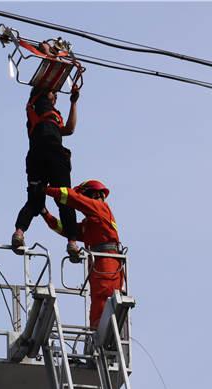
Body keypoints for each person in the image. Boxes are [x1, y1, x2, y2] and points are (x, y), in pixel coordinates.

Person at [11, 49, 81, 262]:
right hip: (50, 154)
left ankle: (21, 233)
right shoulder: (37, 100)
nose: (56, 95)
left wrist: (73, 102)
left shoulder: (53, 115)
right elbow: (46, 78)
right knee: (64, 199)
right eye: (54, 93)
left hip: (39, 156)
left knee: (39, 198)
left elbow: (69, 130)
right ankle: (71, 242)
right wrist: (49, 52)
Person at [41, 180, 124, 329]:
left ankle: (97, 339)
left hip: (107, 264)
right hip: (102, 265)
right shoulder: (91, 223)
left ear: (90, 195)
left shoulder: (99, 208)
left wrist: (46, 190)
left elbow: (73, 198)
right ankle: (97, 338)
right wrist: (45, 213)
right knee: (98, 305)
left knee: (101, 302)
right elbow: (66, 230)